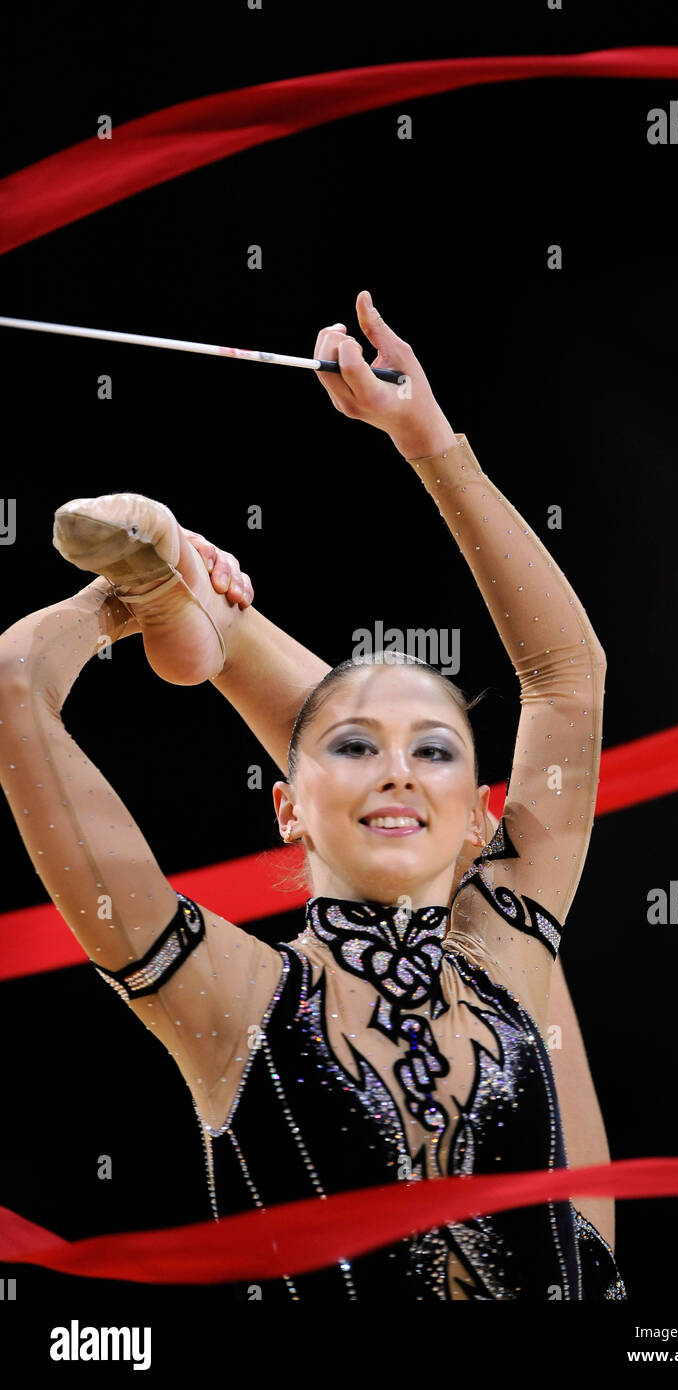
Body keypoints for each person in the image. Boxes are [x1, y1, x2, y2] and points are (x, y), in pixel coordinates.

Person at [0, 290, 626, 1300]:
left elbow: (565, 674)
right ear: (283, 808)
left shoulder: (507, 951)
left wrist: (429, 439)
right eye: (357, 751)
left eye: (433, 751)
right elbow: (12, 695)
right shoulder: (237, 1001)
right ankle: (199, 610)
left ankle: (213, 619)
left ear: (479, 815)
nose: (397, 770)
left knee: (537, 997)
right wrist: (110, 607)